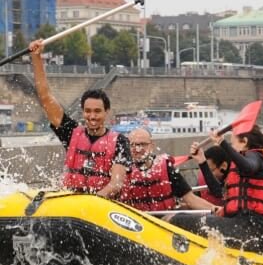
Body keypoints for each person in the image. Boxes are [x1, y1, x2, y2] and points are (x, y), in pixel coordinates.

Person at [29, 39, 131, 198]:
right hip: (72, 202)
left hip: (100, 203)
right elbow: (45, 98)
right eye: (88, 111)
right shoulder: (71, 132)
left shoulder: (120, 141)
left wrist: (93, 201)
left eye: (97, 111)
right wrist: (36, 58)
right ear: (83, 112)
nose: (92, 116)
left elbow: (116, 183)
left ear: (106, 112)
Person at [168, 125, 263, 254]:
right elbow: (218, 192)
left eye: (232, 143)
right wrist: (202, 161)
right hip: (239, 224)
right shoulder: (243, 164)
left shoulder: (256, 157)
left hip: (248, 227)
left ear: (244, 142)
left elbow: (248, 167)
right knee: (179, 217)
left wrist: (222, 142)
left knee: (172, 219)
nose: (231, 148)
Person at [121, 127, 216, 212]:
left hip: (165, 219)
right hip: (135, 222)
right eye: (132, 145)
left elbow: (191, 199)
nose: (137, 149)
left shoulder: (166, 168)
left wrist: (217, 210)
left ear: (152, 146)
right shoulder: (121, 170)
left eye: (142, 144)